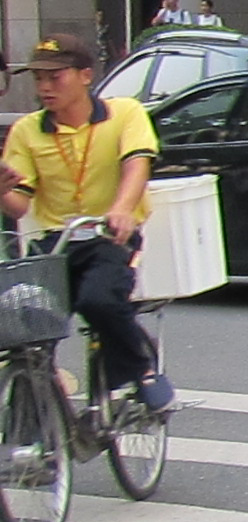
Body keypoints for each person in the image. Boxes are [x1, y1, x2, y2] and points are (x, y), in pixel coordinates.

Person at [0, 34, 173, 417]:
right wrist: (2, 192)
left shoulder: (124, 113)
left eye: (55, 77)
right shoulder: (27, 130)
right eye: (38, 78)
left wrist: (122, 209)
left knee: (99, 299)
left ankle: (140, 368)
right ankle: (33, 426)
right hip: (55, 243)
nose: (45, 87)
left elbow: (137, 164)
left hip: (108, 236)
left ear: (85, 76)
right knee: (27, 324)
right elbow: (19, 204)